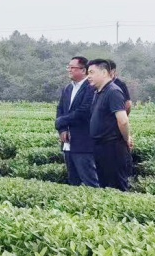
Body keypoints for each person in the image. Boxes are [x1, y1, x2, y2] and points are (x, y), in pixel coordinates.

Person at [86, 59, 134, 191]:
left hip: (112, 147)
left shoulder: (113, 92)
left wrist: (126, 139)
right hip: (100, 147)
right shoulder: (98, 92)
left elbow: (123, 120)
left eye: (91, 72)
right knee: (105, 186)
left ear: (103, 72)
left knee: (116, 187)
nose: (88, 76)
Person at [55, 56, 99, 187]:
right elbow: (60, 109)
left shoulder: (91, 88)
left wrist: (61, 121)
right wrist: (62, 129)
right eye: (68, 67)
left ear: (83, 70)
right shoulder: (67, 88)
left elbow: (84, 111)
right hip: (68, 143)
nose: (69, 70)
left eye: (72, 67)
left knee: (90, 181)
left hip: (83, 143)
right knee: (73, 181)